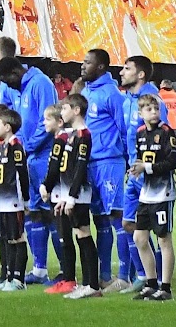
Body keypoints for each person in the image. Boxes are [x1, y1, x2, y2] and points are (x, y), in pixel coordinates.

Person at [0, 38, 60, 283]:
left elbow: (49, 121)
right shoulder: (16, 86)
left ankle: (64, 269)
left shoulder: (40, 83)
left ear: (15, 71)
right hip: (27, 158)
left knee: (52, 212)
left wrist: (27, 146)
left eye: (7, 80)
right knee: (33, 212)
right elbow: (12, 119)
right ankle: (39, 268)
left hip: (43, 156)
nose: (7, 87)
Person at [42, 93, 100, 299]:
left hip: (80, 194)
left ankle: (92, 284)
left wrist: (73, 196)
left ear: (76, 110)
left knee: (84, 234)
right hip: (70, 194)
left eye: (65, 108)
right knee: (79, 234)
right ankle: (86, 284)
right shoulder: (72, 135)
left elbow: (81, 167)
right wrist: (65, 197)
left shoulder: (84, 135)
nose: (62, 112)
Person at [78, 48, 128, 291]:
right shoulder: (86, 92)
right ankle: (104, 274)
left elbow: (124, 128)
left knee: (116, 217)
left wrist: (128, 160)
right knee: (99, 220)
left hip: (109, 162)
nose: (82, 65)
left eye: (87, 62)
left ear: (100, 67)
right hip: (89, 163)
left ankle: (124, 275)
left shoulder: (111, 94)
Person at [129, 92, 176, 301]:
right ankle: (150, 283)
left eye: (156, 108)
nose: (154, 112)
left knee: (163, 239)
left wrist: (146, 167)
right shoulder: (140, 133)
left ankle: (165, 288)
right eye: (149, 109)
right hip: (146, 193)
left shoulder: (167, 132)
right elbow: (140, 159)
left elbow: (172, 162)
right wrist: (135, 169)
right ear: (140, 113)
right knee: (139, 237)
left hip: (163, 194)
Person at [117, 54, 159, 291]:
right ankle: (143, 275)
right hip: (133, 171)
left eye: (127, 68)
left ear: (140, 74)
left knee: (157, 230)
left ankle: (160, 279)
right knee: (129, 223)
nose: (122, 72)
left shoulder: (151, 100)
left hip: (148, 174)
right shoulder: (127, 101)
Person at [0, 106, 29, 292]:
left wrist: (25, 200)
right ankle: (9, 276)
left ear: (8, 127)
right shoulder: (2, 145)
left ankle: (19, 279)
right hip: (3, 199)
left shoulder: (15, 145)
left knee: (17, 238)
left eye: (0, 124)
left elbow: (22, 174)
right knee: (9, 238)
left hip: (14, 200)